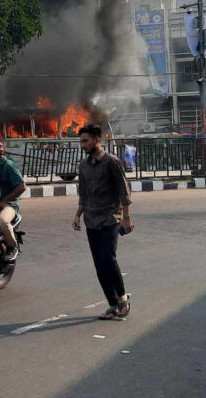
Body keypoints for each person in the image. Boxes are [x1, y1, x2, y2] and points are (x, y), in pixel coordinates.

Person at [72, 124, 133, 320]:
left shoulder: (111, 162)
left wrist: (126, 218)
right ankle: (112, 304)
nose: (83, 145)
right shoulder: (83, 165)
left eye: (86, 141)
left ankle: (122, 299)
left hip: (110, 218)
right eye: (81, 141)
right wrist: (77, 214)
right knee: (99, 264)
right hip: (91, 219)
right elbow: (84, 192)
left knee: (108, 258)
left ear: (98, 139)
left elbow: (124, 191)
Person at [0, 140, 27, 261]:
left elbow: (22, 186)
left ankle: (12, 247)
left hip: (9, 205)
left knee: (2, 221)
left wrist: (6, 199)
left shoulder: (8, 166)